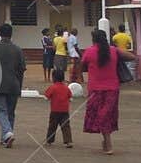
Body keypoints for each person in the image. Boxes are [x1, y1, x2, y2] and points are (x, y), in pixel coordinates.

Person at [82, 27, 132, 155]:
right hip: (112, 88)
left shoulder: (89, 52)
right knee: (106, 115)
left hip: (95, 89)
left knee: (100, 115)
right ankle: (107, 141)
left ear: (93, 39)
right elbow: (131, 57)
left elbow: (82, 67)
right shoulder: (113, 51)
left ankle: (108, 143)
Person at [0, 23, 26, 147]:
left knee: (1, 110)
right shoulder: (18, 50)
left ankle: (7, 133)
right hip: (14, 84)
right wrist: (19, 86)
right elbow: (21, 70)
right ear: (11, 35)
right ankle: (5, 137)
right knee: (10, 112)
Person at [44, 68, 73, 148]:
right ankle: (68, 141)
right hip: (65, 111)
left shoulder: (53, 87)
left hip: (55, 111)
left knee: (52, 126)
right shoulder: (66, 88)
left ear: (53, 78)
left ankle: (49, 140)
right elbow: (70, 98)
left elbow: (46, 97)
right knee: (66, 126)